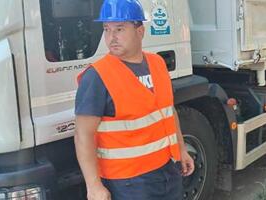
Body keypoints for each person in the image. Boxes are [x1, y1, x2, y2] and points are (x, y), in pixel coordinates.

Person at [73, 0, 195, 199]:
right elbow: (82, 134)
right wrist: (94, 186)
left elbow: (167, 111)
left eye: (119, 29)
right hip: (128, 182)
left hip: (167, 170)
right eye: (106, 29)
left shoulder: (157, 63)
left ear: (140, 31)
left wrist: (181, 148)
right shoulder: (97, 76)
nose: (111, 37)